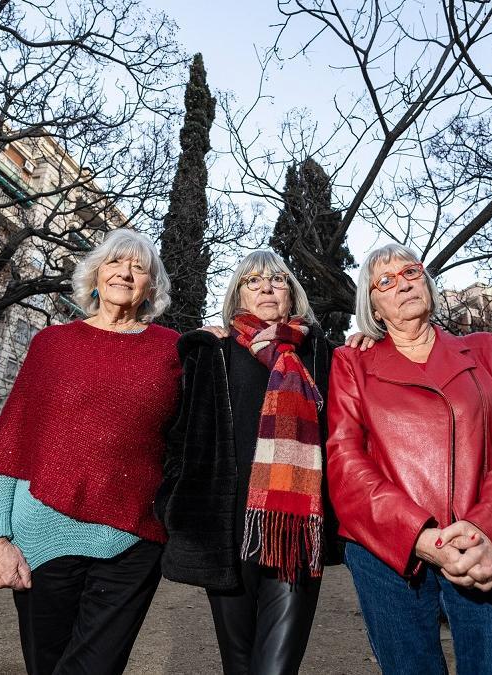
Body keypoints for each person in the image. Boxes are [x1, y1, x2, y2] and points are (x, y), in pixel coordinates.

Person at [0, 229, 181, 675]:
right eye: (114, 263)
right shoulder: (52, 344)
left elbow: (197, 434)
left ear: (150, 287)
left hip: (133, 540)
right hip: (41, 536)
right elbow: (12, 441)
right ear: (96, 276)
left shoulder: (174, 350)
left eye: (138, 267)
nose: (125, 272)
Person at [328, 243, 492, 674]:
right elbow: (345, 461)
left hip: (488, 546)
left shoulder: (485, 349)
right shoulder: (351, 362)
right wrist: (422, 539)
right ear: (372, 303)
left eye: (410, 272)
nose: (403, 284)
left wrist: (487, 528)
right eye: (385, 281)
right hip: (390, 552)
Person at [157, 250, 340, 675]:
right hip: (226, 533)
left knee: (276, 667)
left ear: (292, 294)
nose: (266, 289)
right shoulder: (215, 351)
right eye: (253, 282)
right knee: (238, 664)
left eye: (277, 280)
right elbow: (181, 438)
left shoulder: (321, 353)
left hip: (293, 531)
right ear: (238, 295)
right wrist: (172, 506)